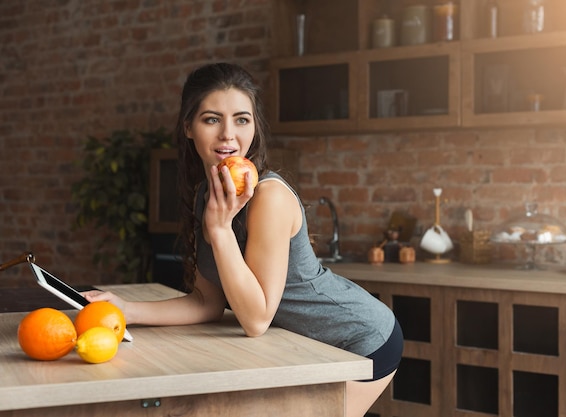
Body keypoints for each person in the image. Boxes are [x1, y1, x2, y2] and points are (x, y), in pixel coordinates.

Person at [85, 62, 403, 417]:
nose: (228, 135)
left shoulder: (269, 198)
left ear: (254, 126)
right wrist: (123, 311)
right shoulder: (207, 194)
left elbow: (256, 321)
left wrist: (220, 230)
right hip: (303, 345)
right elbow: (207, 302)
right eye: (211, 119)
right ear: (188, 127)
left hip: (359, 339)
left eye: (241, 119)